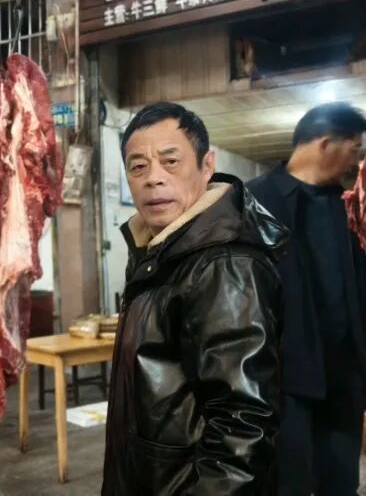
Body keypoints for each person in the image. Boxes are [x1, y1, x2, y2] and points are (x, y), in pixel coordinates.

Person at [102, 102, 287, 495]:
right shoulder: (161, 252)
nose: (153, 179)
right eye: (138, 166)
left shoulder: (223, 264)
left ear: (207, 166)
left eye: (170, 162)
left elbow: (243, 427)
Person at [247, 102, 366, 496]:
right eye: (353, 149)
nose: (355, 160)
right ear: (325, 144)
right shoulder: (253, 201)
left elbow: (360, 289)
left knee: (341, 484)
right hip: (285, 380)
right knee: (287, 485)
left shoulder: (345, 205)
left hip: (343, 378)